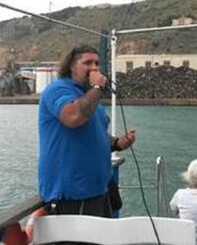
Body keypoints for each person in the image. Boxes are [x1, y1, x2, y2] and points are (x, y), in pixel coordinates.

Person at [38, 44, 136, 217]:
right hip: (73, 194)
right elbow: (73, 117)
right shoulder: (58, 89)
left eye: (97, 63)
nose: (94, 68)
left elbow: (95, 133)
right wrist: (97, 88)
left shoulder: (90, 98)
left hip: (99, 190)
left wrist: (117, 143)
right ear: (71, 66)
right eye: (87, 63)